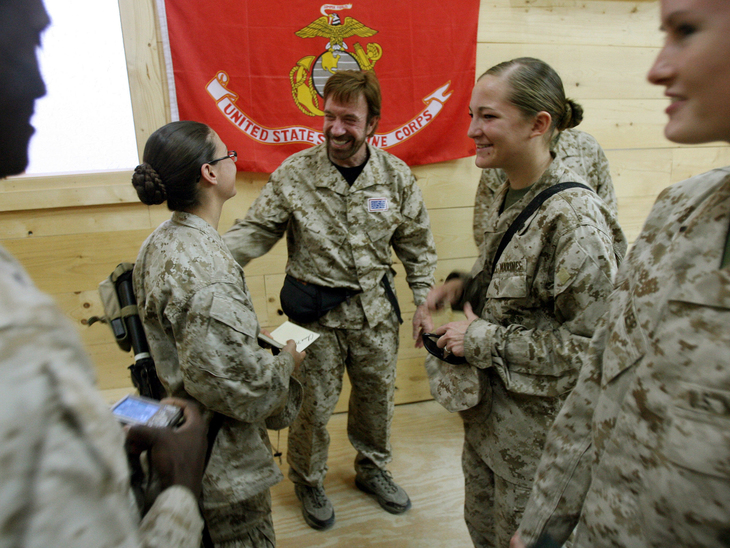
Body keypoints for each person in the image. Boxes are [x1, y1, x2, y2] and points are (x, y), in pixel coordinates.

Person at [512, 0, 730, 547]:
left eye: (687, 31)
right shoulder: (679, 213)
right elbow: (597, 384)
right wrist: (540, 528)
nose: (656, 69)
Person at [0, 0, 208, 546]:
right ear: (210, 172)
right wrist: (180, 495)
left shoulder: (154, 248)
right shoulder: (12, 325)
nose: (42, 87)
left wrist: (95, 428)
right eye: (27, 47)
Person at [425, 58, 626, 548]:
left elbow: (593, 351)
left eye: (488, 117)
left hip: (540, 446)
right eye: (472, 115)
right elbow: (519, 287)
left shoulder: (575, 220)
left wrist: (481, 339)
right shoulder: (509, 191)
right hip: (490, 424)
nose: (472, 130)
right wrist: (464, 287)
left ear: (539, 125)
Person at [223, 70, 437, 530]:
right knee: (309, 408)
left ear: (373, 122)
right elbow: (256, 232)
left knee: (377, 400)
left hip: (375, 317)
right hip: (310, 320)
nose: (337, 129)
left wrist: (423, 300)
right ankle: (307, 480)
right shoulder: (296, 174)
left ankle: (372, 469)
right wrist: (209, 258)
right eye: (329, 116)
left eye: (349, 119)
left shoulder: (394, 177)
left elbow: (417, 244)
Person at [131, 120, 305, 548]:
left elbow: (188, 340)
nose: (234, 161)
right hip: (218, 461)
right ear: (209, 173)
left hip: (174, 433)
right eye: (228, 154)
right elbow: (241, 389)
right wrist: (286, 361)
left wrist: (244, 338)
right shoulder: (209, 270)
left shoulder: (158, 242)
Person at [473, 129, 617, 248]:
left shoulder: (584, 146)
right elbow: (485, 222)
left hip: (579, 257)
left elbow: (606, 210)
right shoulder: (505, 150)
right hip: (518, 266)